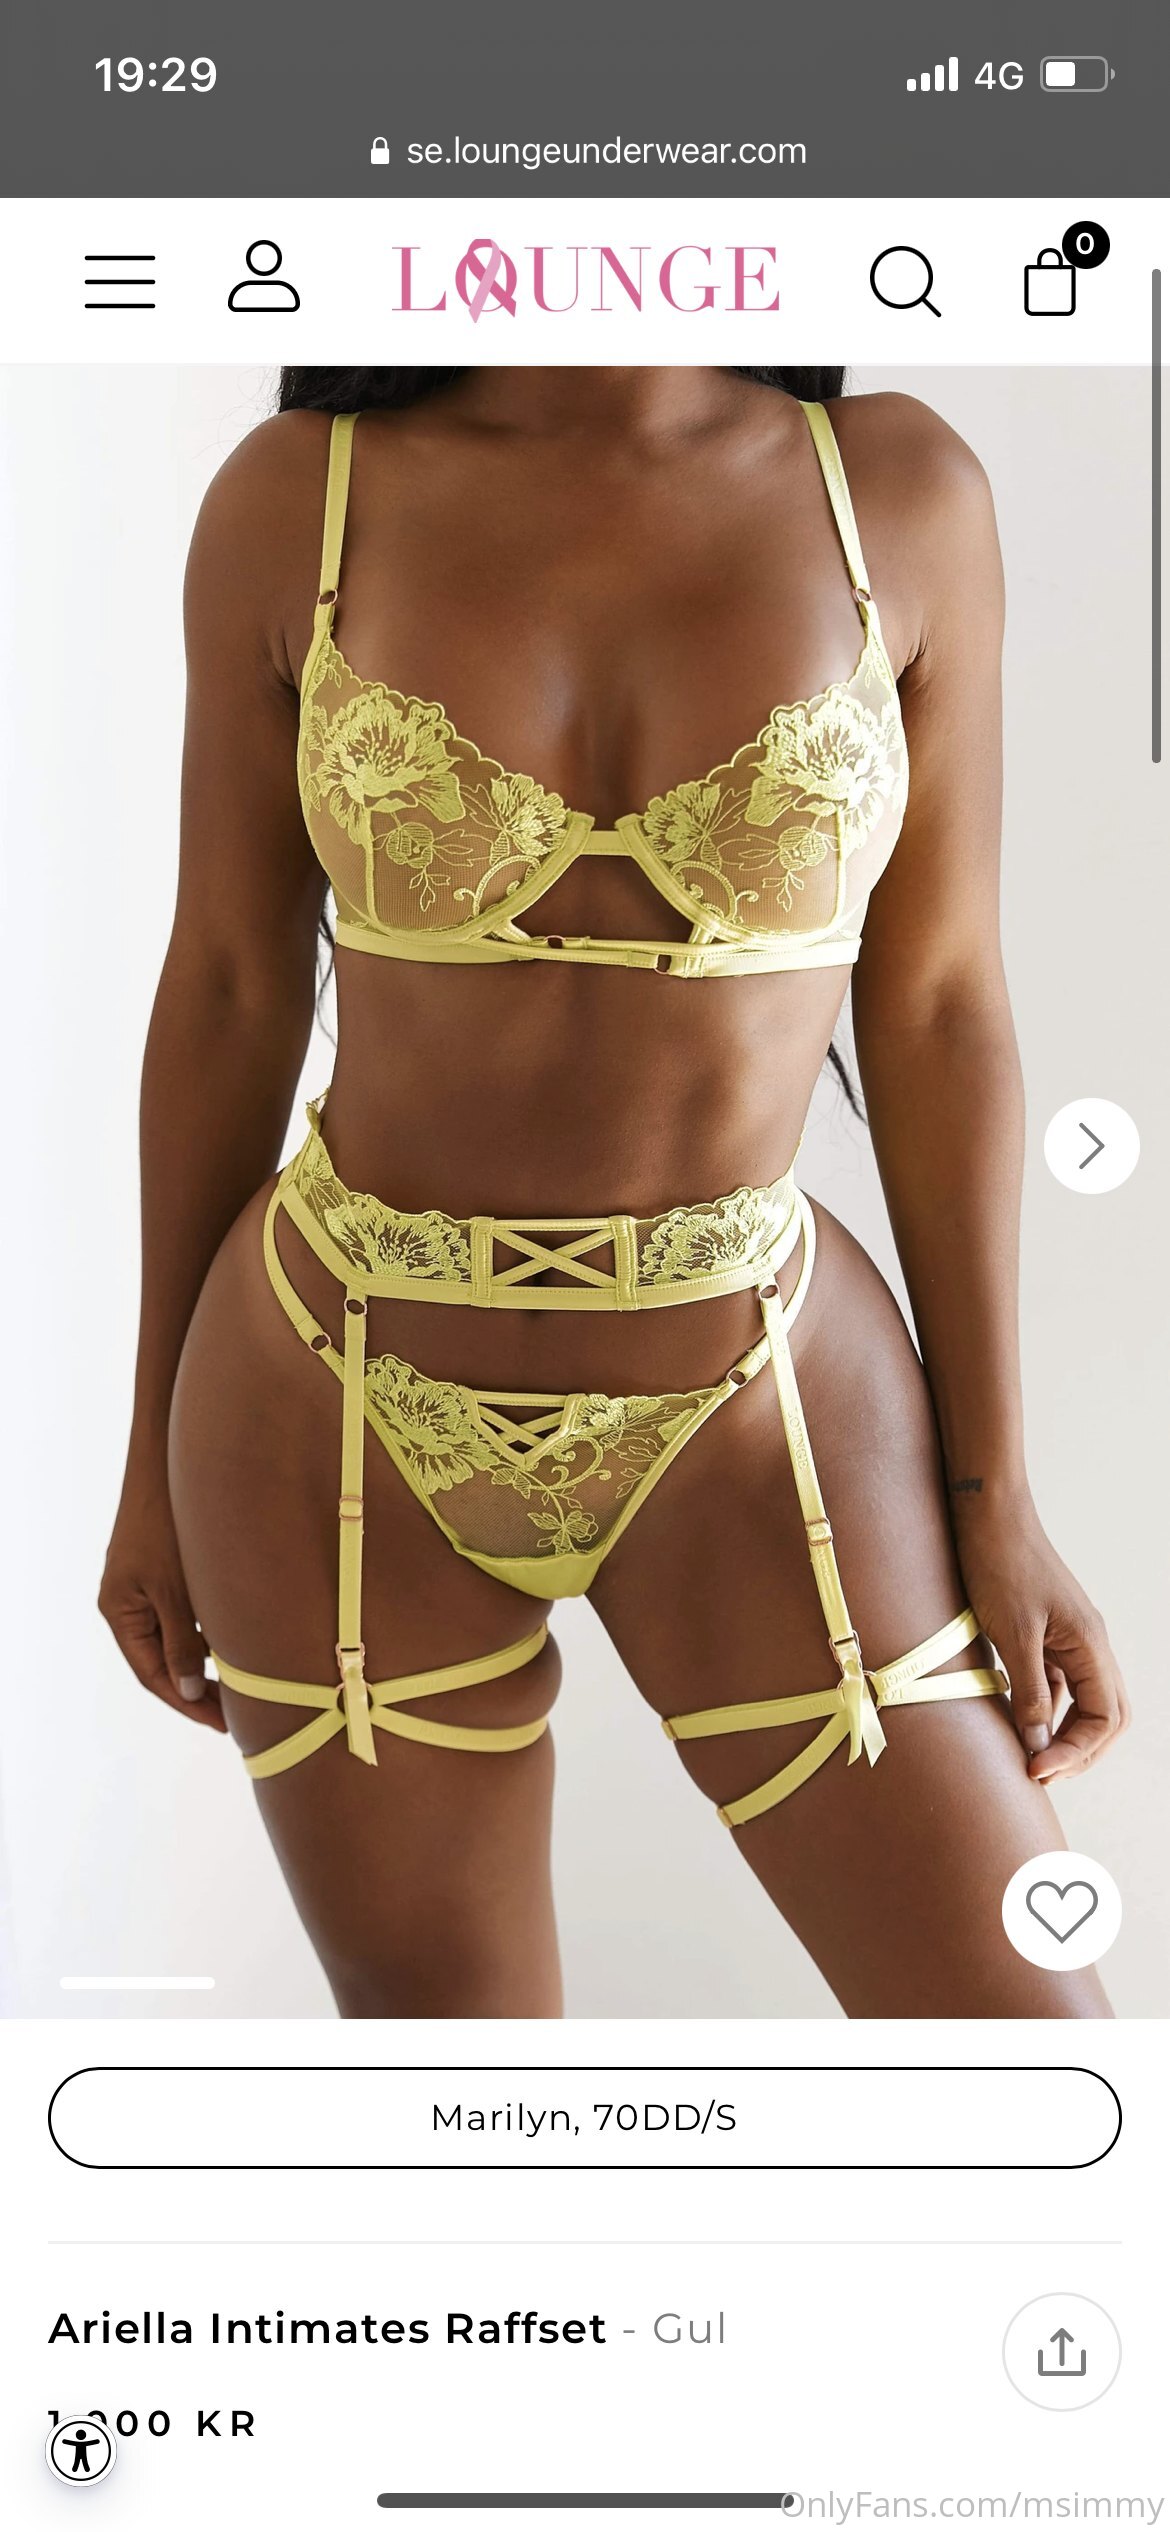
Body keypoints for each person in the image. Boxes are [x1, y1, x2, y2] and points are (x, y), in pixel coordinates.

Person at [100, 367, 1127, 2018]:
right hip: (326, 1396)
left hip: (764, 1398)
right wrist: (147, 1458)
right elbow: (227, 984)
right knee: (466, 2105)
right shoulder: (298, 495)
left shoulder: (895, 489)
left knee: (1037, 2072)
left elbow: (938, 1006)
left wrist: (996, 1492)